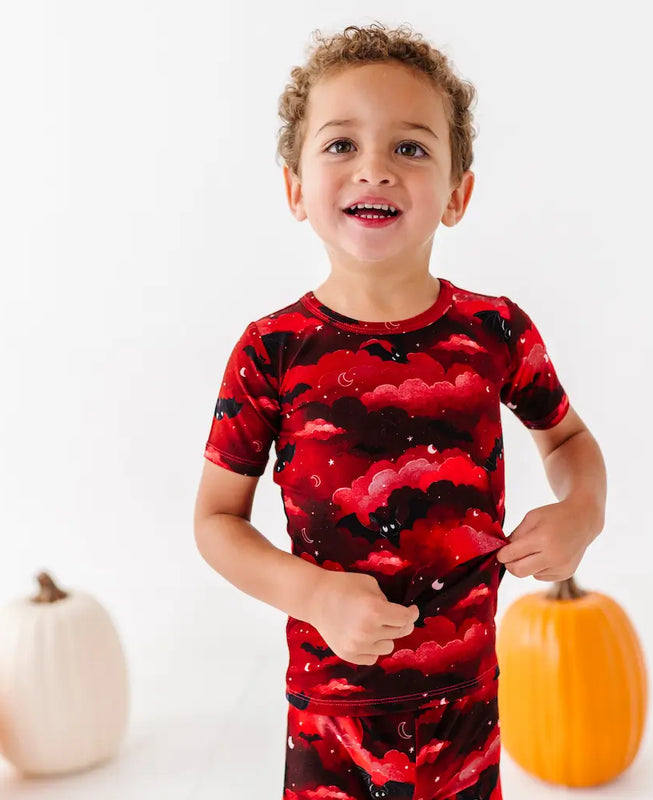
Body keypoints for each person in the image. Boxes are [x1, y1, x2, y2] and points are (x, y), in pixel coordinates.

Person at [193, 21, 607, 800]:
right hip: (332, 716)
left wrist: (582, 509)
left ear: (457, 194)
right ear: (294, 188)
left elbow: (569, 439)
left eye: (410, 148)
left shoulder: (496, 332)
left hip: (468, 705)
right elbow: (216, 522)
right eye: (341, 145)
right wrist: (311, 594)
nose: (374, 169)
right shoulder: (269, 351)